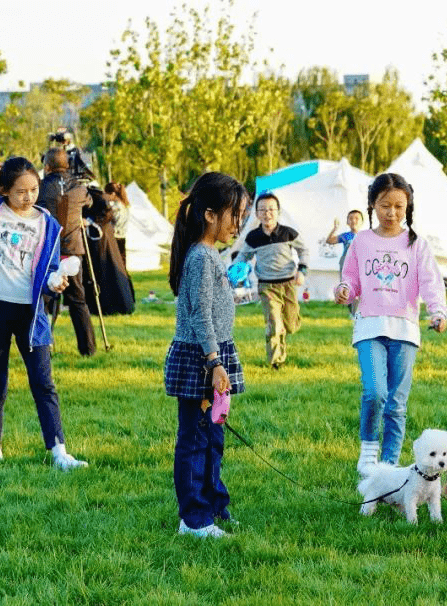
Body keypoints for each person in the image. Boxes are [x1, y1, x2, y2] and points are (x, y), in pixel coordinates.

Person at [0, 158, 87, 469]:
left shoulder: (47, 222)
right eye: (21, 191)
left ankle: (59, 451)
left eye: (34, 189)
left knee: (43, 382)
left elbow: (47, 270)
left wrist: (53, 281)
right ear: (5, 190)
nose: (29, 197)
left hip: (31, 314)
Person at [335, 173, 447, 473]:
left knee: (396, 402)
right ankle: (369, 451)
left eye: (399, 206)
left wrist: (439, 312)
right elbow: (351, 279)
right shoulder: (362, 240)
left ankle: (389, 464)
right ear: (373, 204)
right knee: (375, 392)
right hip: (370, 326)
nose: (392, 213)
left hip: (405, 329)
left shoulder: (416, 244)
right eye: (386, 205)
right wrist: (344, 289)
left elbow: (431, 282)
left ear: (407, 207)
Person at [164, 172, 248, 538]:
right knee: (195, 439)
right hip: (201, 357)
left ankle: (214, 506)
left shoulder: (211, 254)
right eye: (234, 215)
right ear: (210, 215)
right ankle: (194, 520)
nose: (238, 224)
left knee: (213, 437)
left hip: (214, 354)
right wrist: (214, 363)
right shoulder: (200, 256)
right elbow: (199, 314)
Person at [236, 192, 309, 370]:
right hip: (267, 285)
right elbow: (243, 256)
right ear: (257, 213)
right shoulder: (253, 237)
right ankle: (276, 361)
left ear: (278, 212)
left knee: (290, 325)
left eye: (271, 209)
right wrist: (236, 271)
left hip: (288, 283)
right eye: (262, 210)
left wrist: (302, 271)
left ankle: (286, 327)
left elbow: (304, 251)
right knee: (274, 323)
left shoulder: (289, 233)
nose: (267, 213)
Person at [37, 148, 96, 356]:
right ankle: (88, 349)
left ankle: (43, 346)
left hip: (49, 250)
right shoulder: (79, 188)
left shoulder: (40, 187)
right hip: (73, 250)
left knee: (44, 300)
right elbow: (90, 202)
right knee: (78, 300)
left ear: (47, 166)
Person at [83, 186, 135, 315]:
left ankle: (111, 305)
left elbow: (106, 216)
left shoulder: (103, 203)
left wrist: (89, 222)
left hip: (105, 242)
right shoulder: (99, 203)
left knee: (109, 272)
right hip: (100, 242)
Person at [103, 182, 131, 266]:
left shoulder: (115, 208)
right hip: (122, 237)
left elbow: (105, 220)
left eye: (106, 193)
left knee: (115, 265)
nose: (105, 196)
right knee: (122, 264)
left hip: (115, 238)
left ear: (112, 194)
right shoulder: (124, 205)